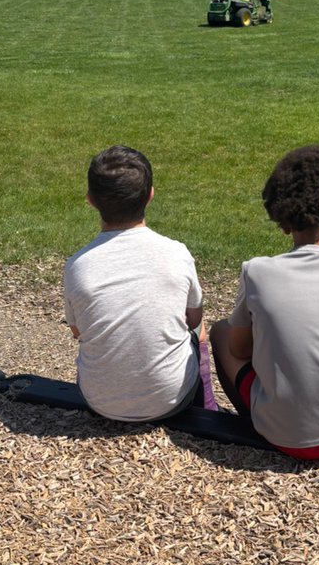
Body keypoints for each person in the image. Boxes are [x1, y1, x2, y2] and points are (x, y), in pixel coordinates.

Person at [210, 145, 319, 459]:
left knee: (221, 332)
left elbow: (238, 350)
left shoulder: (257, 272)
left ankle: (254, 418)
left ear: (284, 223)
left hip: (282, 435)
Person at [63, 145, 217, 421]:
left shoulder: (77, 266)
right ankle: (206, 404)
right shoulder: (176, 253)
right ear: (150, 196)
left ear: (90, 200)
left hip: (100, 402)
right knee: (201, 331)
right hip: (172, 399)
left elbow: (77, 331)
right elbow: (194, 319)